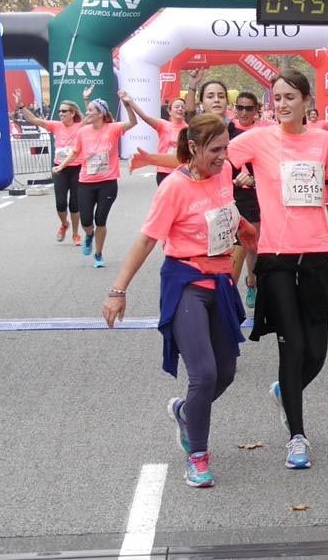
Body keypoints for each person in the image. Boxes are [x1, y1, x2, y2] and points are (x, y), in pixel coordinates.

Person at [102, 113, 254, 488]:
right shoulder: (173, 188)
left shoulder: (224, 173)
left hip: (220, 281)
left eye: (226, 148)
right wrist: (118, 290)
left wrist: (245, 230)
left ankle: (186, 412)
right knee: (202, 373)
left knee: (226, 373)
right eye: (215, 149)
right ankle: (198, 456)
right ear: (193, 148)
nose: (223, 156)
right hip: (185, 279)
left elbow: (224, 216)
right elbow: (147, 240)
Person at [226, 69, 328, 470]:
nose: (281, 104)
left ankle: (285, 391)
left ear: (305, 100)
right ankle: (297, 436)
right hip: (276, 259)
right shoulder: (257, 138)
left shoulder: (324, 141)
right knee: (292, 345)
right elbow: (212, 159)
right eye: (276, 97)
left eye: (289, 97)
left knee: (317, 352)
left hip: (315, 255)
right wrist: (230, 205)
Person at [53, 87, 139, 268]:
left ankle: (98, 254)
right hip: (85, 182)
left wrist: (127, 103)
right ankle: (89, 235)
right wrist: (62, 165)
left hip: (107, 183)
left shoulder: (113, 128)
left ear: (101, 114)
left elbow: (133, 122)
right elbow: (76, 152)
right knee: (86, 221)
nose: (87, 113)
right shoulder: (83, 132)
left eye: (91, 110)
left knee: (100, 219)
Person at [19, 91, 83, 244]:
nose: (60, 113)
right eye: (60, 111)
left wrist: (86, 98)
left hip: (77, 168)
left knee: (75, 204)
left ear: (73, 113)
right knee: (60, 203)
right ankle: (64, 224)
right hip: (59, 168)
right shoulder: (56, 125)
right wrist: (22, 106)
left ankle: (75, 233)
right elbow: (34, 120)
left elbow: (92, 118)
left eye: (64, 111)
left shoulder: (81, 126)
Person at [228, 92, 272, 309]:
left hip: (255, 193)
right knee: (234, 243)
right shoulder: (227, 129)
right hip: (230, 194)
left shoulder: (264, 131)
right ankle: (228, 294)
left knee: (252, 245)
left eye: (249, 108)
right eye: (240, 108)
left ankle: (252, 283)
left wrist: (255, 180)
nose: (244, 112)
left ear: (257, 110)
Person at [126, 96, 188, 185]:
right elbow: (145, 117)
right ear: (169, 111)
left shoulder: (189, 129)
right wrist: (131, 102)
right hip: (164, 170)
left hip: (181, 171)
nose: (180, 109)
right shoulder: (163, 125)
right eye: (177, 107)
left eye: (182, 107)